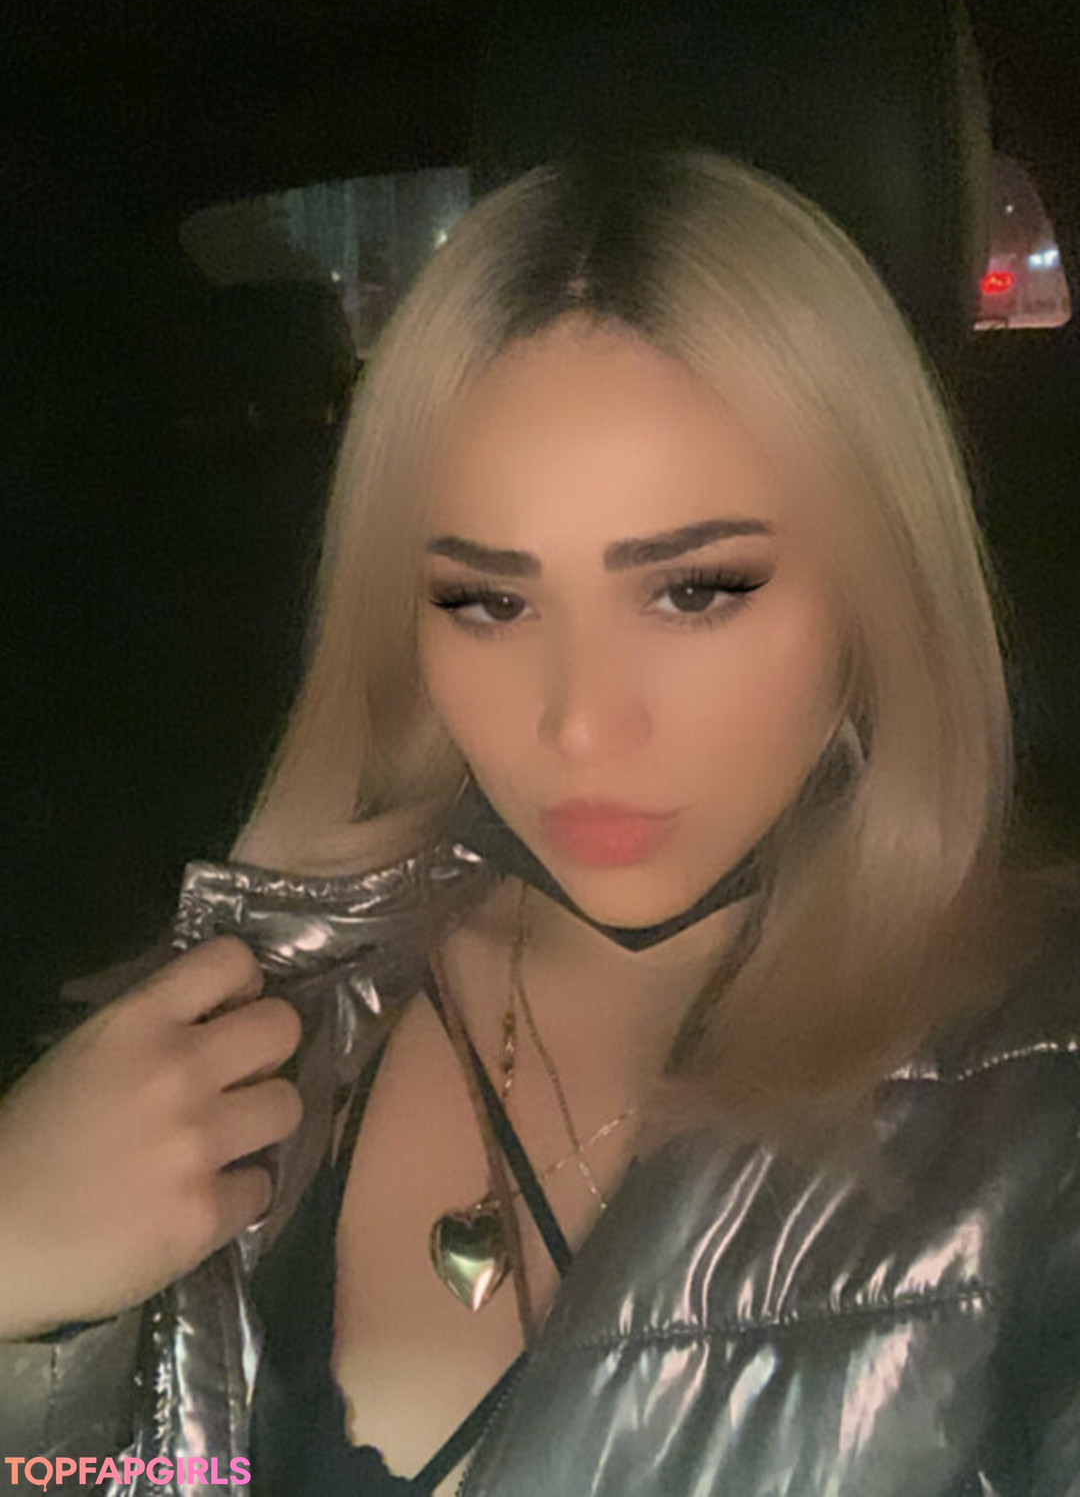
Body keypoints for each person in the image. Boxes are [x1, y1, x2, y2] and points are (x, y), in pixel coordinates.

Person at [1, 148, 1078, 1496]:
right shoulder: (236, 1028)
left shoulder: (1035, 1104)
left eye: (693, 591)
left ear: (878, 587)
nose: (579, 727)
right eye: (491, 602)